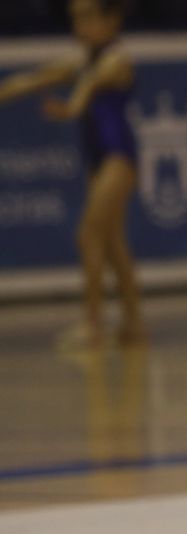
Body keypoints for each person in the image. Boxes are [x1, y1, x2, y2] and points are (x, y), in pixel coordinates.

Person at [0, 0, 143, 347]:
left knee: (89, 235)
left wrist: (71, 107)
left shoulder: (117, 59)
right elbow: (34, 79)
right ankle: (134, 325)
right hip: (99, 161)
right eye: (76, 18)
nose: (81, 26)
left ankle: (93, 325)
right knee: (113, 244)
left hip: (118, 157)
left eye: (89, 17)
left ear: (112, 20)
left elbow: (91, 85)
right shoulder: (82, 62)